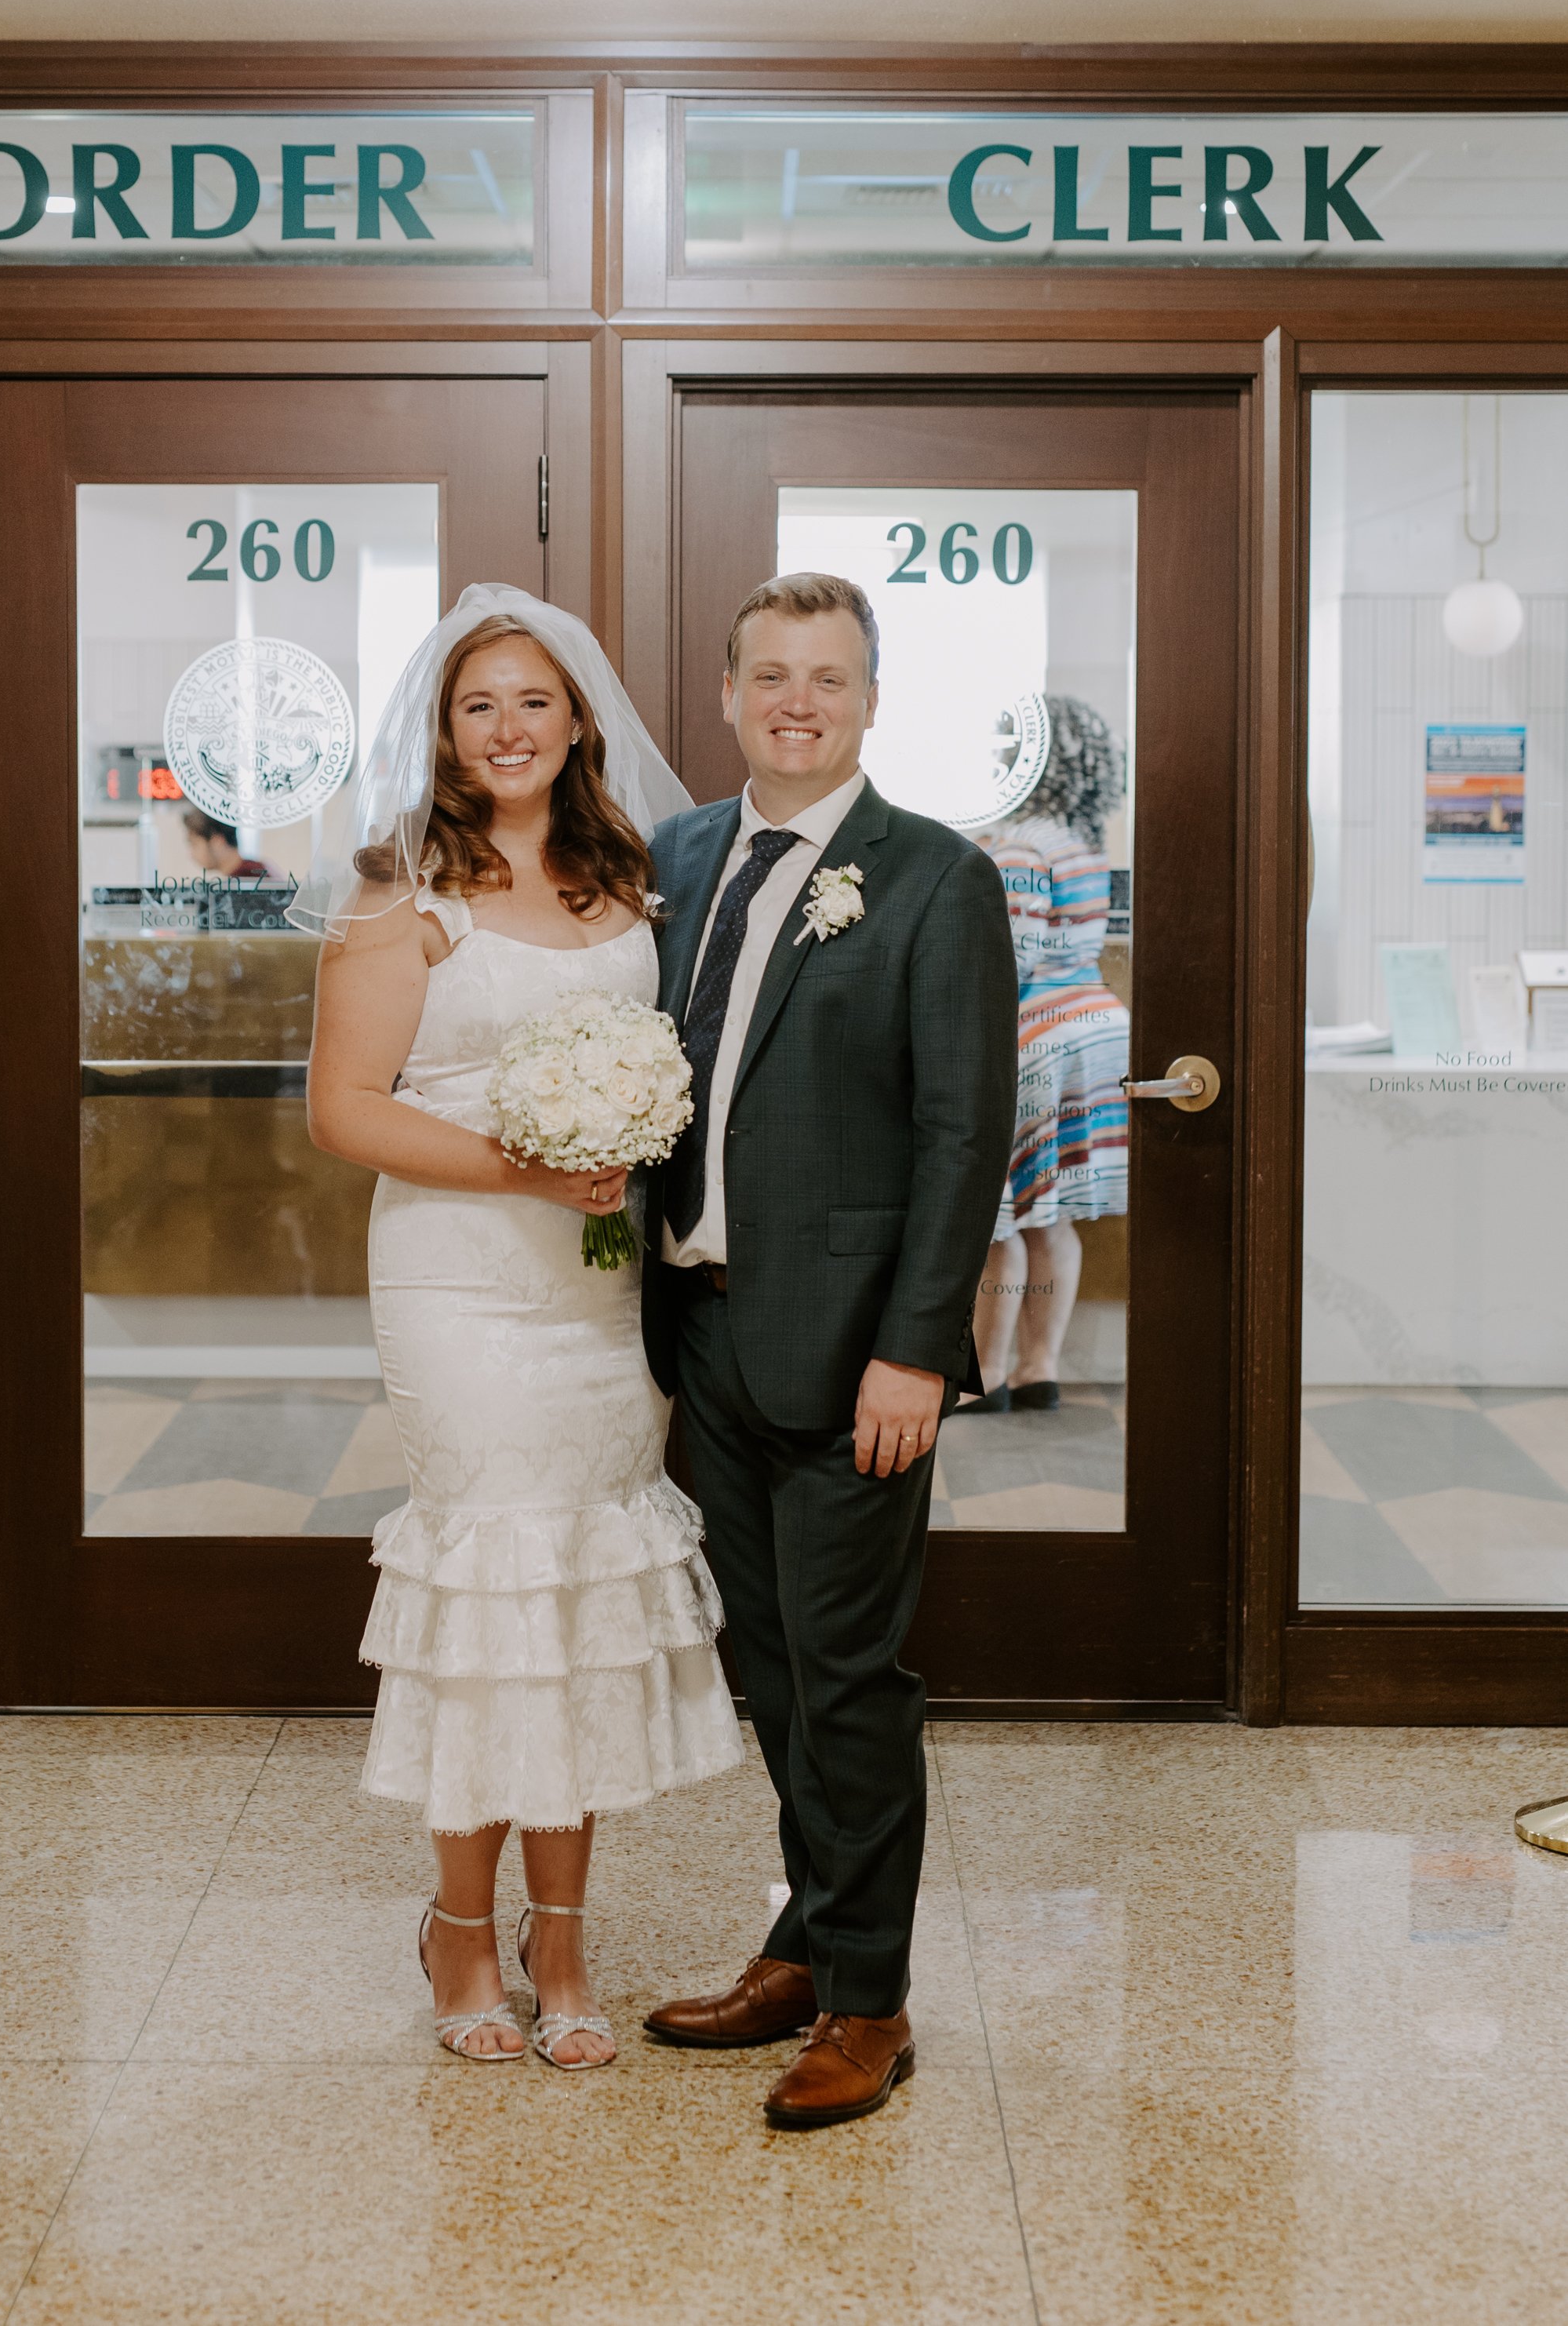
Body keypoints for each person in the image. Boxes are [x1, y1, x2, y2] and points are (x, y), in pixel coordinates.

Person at [306, 584, 741, 2072]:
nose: (508, 728)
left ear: (577, 724)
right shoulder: (396, 899)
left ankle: (566, 1941)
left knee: (580, 1587)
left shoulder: (629, 890)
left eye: (534, 703)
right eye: (478, 704)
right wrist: (526, 1166)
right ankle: (461, 1930)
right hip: (458, 1284)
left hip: (598, 1287)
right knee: (494, 1588)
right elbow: (344, 1111)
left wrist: (611, 1160)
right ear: (442, 728)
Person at [638, 570, 1017, 2131]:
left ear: (867, 704)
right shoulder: (670, 860)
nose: (797, 699)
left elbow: (959, 1131)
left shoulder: (929, 876)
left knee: (847, 1676)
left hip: (857, 1352)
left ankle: (869, 2003)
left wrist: (915, 1351)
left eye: (830, 678)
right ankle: (807, 1939)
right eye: (770, 674)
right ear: (725, 696)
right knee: (768, 1668)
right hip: (696, 1334)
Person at [964, 698, 1130, 1414]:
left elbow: (1011, 959)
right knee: (1048, 1213)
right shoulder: (1083, 842)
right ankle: (1041, 1368)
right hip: (1094, 1029)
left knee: (998, 1215)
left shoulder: (1022, 846)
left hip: (1033, 1037)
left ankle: (988, 1375)